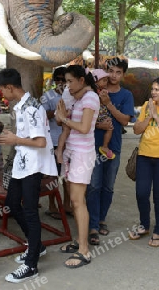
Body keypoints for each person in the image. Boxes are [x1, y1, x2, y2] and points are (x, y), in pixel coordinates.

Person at [0, 68, 57, 283]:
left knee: (30, 211)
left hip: (34, 165)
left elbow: (40, 142)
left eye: (2, 89)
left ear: (10, 87)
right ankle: (36, 245)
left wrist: (15, 141)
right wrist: (12, 139)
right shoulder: (20, 106)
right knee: (12, 203)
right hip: (22, 165)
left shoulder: (33, 108)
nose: (2, 93)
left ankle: (32, 265)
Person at [86, 57, 134, 246]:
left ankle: (101, 219)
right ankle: (93, 226)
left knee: (108, 186)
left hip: (113, 147)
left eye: (118, 72)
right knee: (94, 185)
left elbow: (124, 121)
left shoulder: (126, 96)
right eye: (111, 71)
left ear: (123, 74)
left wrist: (108, 103)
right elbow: (84, 117)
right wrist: (98, 123)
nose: (113, 76)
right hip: (92, 145)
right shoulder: (93, 92)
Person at [55, 65, 99, 269]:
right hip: (72, 153)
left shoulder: (90, 98)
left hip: (82, 154)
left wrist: (64, 118)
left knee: (78, 201)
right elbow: (59, 119)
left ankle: (84, 250)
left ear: (82, 80)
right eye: (66, 82)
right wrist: (63, 117)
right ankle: (79, 241)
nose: (68, 85)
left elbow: (83, 127)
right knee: (74, 201)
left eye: (71, 81)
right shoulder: (77, 98)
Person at [129, 77, 159, 247]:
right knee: (141, 192)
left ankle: (157, 230)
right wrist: (149, 115)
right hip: (144, 155)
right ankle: (144, 225)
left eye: (157, 90)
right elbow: (136, 130)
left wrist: (157, 117)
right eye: (152, 89)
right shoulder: (146, 106)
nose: (153, 92)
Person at [42, 66, 72, 218]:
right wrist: (56, 112)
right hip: (53, 142)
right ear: (54, 81)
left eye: (63, 79)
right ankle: (52, 205)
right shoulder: (48, 96)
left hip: (70, 142)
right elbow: (41, 117)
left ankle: (67, 204)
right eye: (57, 79)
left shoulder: (73, 96)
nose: (60, 82)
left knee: (67, 177)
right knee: (52, 176)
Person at [91, 69, 115, 160]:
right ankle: (105, 146)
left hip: (100, 114)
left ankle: (105, 146)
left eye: (106, 80)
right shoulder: (93, 91)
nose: (106, 82)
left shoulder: (103, 91)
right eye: (104, 80)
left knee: (110, 127)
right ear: (96, 81)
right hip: (98, 114)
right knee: (110, 127)